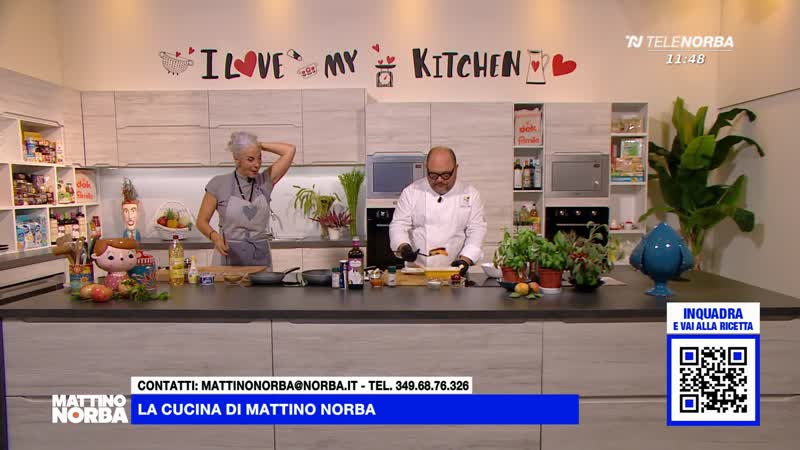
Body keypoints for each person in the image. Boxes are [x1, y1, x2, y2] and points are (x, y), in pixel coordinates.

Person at [196, 132, 295, 267]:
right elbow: (201, 222)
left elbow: (290, 150)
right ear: (236, 158)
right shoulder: (218, 184)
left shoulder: (265, 181)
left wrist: (257, 145)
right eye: (250, 159)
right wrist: (215, 237)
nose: (257, 164)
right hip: (228, 256)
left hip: (260, 258)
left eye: (259, 158)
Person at [389, 146, 487, 275]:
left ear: (456, 169)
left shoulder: (471, 194)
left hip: (454, 272)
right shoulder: (411, 192)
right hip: (417, 271)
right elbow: (398, 225)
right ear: (427, 169)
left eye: (446, 175)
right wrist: (403, 247)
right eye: (433, 175)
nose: (439, 180)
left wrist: (465, 260)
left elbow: (477, 231)